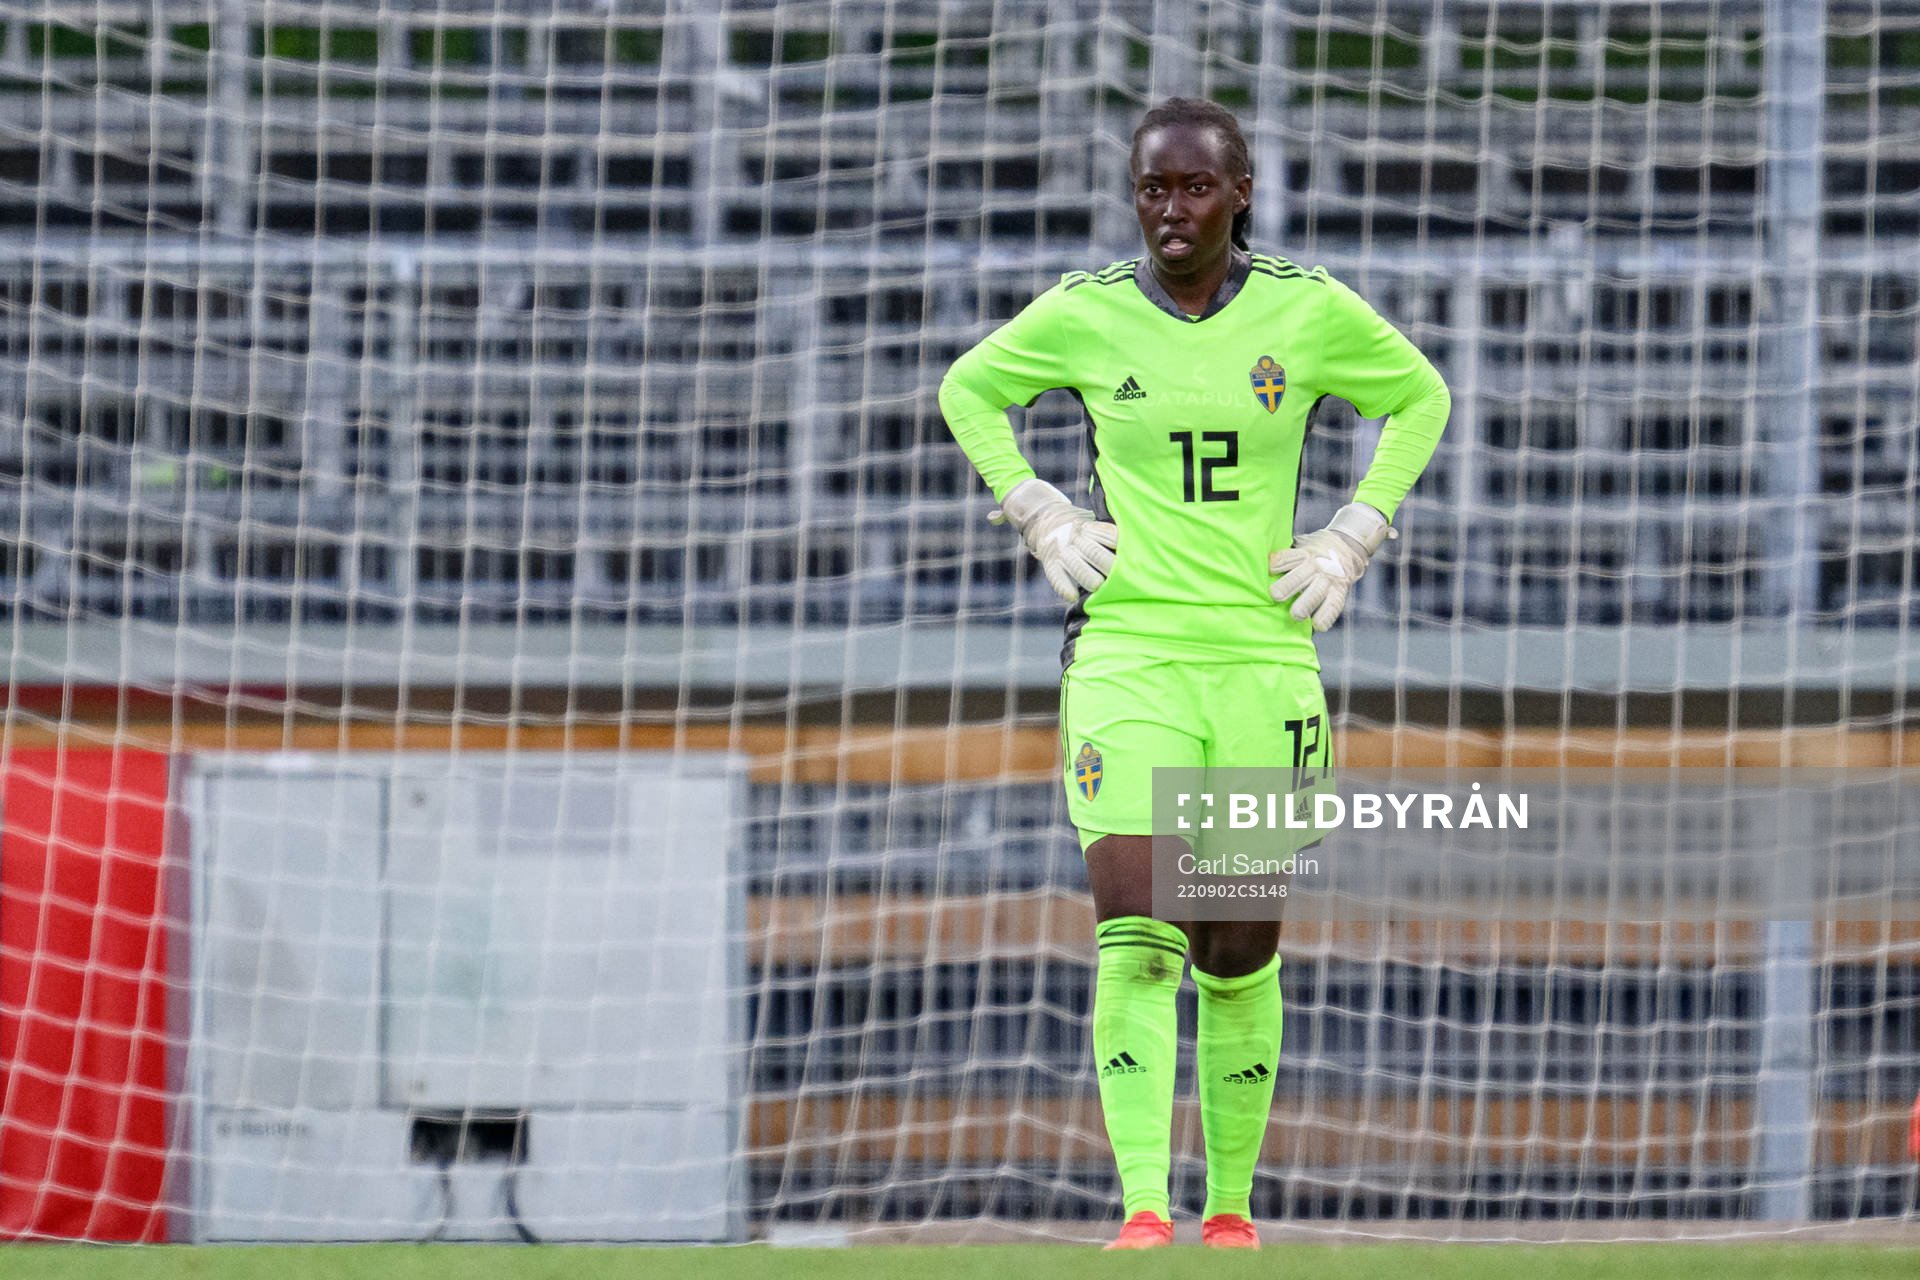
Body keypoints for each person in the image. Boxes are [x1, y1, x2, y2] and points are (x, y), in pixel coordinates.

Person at [938, 98, 1450, 1248]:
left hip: (1263, 657)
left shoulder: (1307, 311)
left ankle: (1229, 1210)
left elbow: (1422, 395)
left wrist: (1354, 533)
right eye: (1153, 189)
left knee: (1235, 943)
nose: (1172, 209)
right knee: (1137, 924)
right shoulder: (1088, 313)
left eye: (1195, 187)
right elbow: (967, 386)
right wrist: (1035, 507)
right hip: (1129, 653)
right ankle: (1141, 1212)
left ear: (1242, 192)